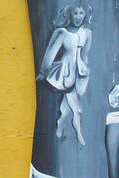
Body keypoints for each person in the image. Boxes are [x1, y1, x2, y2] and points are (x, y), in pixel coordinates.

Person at [37, 4, 93, 145]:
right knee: (76, 107)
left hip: (78, 72)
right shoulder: (62, 33)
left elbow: (85, 55)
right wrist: (43, 72)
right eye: (75, 13)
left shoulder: (86, 33)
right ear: (69, 15)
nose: (79, 17)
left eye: (81, 13)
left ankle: (61, 122)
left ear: (85, 15)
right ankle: (79, 134)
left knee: (67, 104)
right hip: (64, 73)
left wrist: (84, 71)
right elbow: (51, 53)